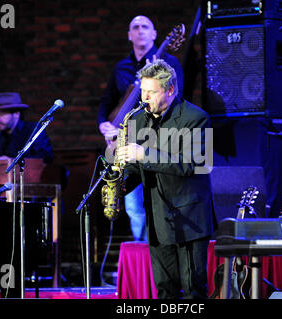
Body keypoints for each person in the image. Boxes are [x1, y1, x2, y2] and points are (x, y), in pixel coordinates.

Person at [117, 59, 216, 299]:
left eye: (151, 92)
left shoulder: (196, 118)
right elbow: (135, 170)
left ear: (170, 90)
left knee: (194, 290)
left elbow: (195, 164)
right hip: (157, 219)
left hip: (189, 220)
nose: (144, 98)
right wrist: (117, 182)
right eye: (142, 91)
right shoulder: (137, 119)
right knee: (164, 291)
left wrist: (143, 154)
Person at [97, 15, 184, 242]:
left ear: (154, 34)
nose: (140, 30)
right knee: (134, 207)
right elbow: (107, 101)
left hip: (156, 141)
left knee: (157, 203)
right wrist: (104, 124)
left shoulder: (169, 63)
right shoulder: (121, 68)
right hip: (125, 142)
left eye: (145, 26)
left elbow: (177, 100)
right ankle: (142, 255)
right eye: (135, 27)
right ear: (129, 35)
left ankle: (156, 250)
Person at [0, 92, 54, 164]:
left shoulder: (33, 130)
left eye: (1, 114)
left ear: (16, 114)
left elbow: (45, 158)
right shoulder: (0, 136)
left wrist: (11, 161)